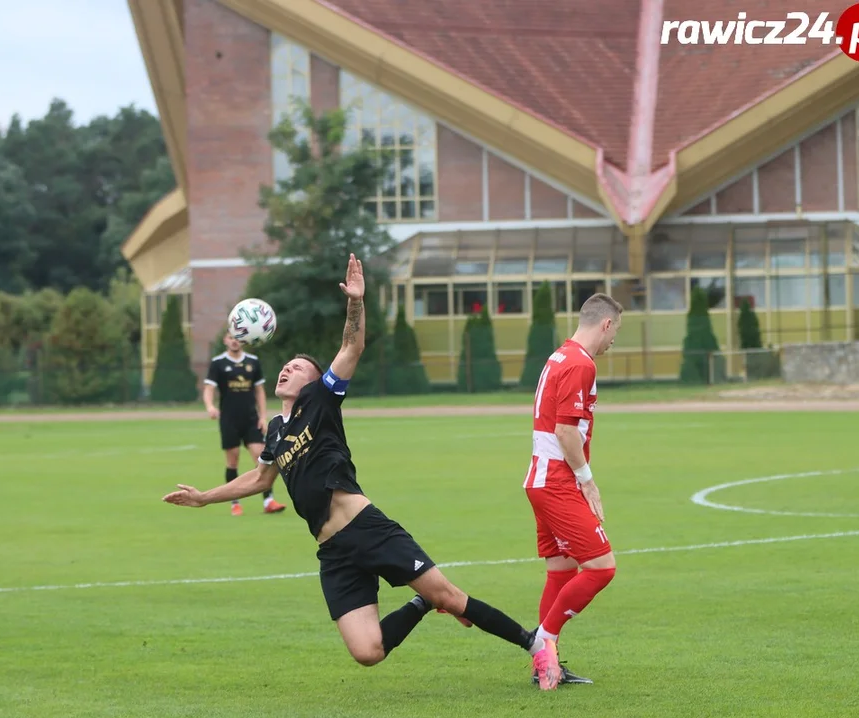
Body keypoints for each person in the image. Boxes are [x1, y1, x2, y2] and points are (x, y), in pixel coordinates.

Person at [166, 254, 557, 687]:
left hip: (367, 529)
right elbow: (259, 479)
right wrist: (204, 497)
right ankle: (421, 605)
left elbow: (352, 346)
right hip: (333, 552)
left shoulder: (321, 401)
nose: (286, 369)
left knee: (451, 594)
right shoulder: (276, 430)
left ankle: (535, 646)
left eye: (297, 368)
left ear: (315, 382)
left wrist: (356, 302)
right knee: (367, 652)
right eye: (285, 365)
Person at [524, 292, 623, 689]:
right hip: (558, 482)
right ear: (606, 324)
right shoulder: (582, 363)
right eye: (616, 332)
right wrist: (587, 479)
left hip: (540, 479)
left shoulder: (559, 355)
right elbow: (565, 430)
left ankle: (546, 664)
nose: (614, 341)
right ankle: (542, 644)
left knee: (561, 572)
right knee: (602, 567)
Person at [203, 331, 286, 516]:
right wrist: (209, 406)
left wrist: (263, 416)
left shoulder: (252, 362)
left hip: (251, 419)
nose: (234, 341)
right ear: (225, 340)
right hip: (229, 420)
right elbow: (209, 388)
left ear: (243, 341)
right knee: (232, 461)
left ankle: (269, 501)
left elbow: (259, 391)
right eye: (231, 338)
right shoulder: (218, 363)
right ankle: (234, 503)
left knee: (261, 459)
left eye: (237, 339)